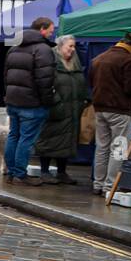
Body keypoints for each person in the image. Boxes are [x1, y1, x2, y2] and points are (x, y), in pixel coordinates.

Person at [2, 16, 57, 186]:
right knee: (26, 139)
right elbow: (45, 81)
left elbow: (5, 76)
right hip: (32, 104)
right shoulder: (43, 50)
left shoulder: (14, 48)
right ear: (42, 29)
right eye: (50, 30)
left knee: (13, 136)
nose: (52, 33)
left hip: (13, 101)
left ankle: (11, 171)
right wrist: (48, 101)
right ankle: (20, 172)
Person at [88, 32, 131, 196]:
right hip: (120, 111)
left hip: (99, 109)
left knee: (102, 148)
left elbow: (91, 82)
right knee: (118, 149)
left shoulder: (98, 58)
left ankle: (98, 184)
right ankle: (110, 186)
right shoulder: (128, 60)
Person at [33, 35, 88, 185]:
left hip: (72, 110)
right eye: (70, 46)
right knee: (48, 140)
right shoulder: (50, 61)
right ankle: (44, 171)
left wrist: (84, 100)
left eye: (74, 46)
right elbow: (44, 84)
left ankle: (61, 172)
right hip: (54, 110)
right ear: (60, 46)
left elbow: (81, 83)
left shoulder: (75, 63)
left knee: (67, 141)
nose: (73, 49)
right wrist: (56, 103)